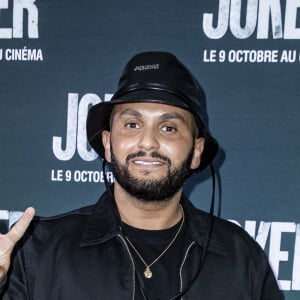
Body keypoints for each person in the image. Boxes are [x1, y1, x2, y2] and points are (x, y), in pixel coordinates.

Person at [0, 51, 283, 299]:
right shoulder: (39, 253)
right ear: (108, 144)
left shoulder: (241, 257)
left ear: (197, 151)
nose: (148, 142)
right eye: (132, 124)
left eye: (169, 128)